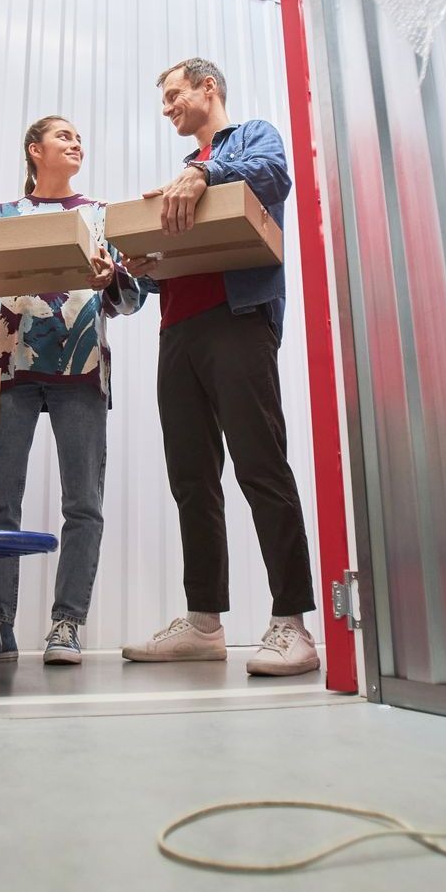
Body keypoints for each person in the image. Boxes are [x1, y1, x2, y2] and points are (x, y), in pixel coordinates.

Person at [120, 58, 320, 677]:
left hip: (237, 323)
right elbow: (173, 264)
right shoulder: (184, 177)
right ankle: (204, 622)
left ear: (209, 89)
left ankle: (293, 625)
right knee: (191, 480)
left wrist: (204, 170)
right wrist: (135, 269)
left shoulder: (249, 137)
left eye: (174, 94)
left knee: (261, 467)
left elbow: (274, 175)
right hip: (176, 330)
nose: (167, 108)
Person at [0, 115, 147, 666]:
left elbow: (130, 302)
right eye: (64, 136)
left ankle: (67, 625)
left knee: (83, 505)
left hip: (81, 371)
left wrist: (114, 281)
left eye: (80, 137)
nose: (77, 142)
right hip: (12, 370)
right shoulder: (2, 217)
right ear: (35, 150)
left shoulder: (101, 216)